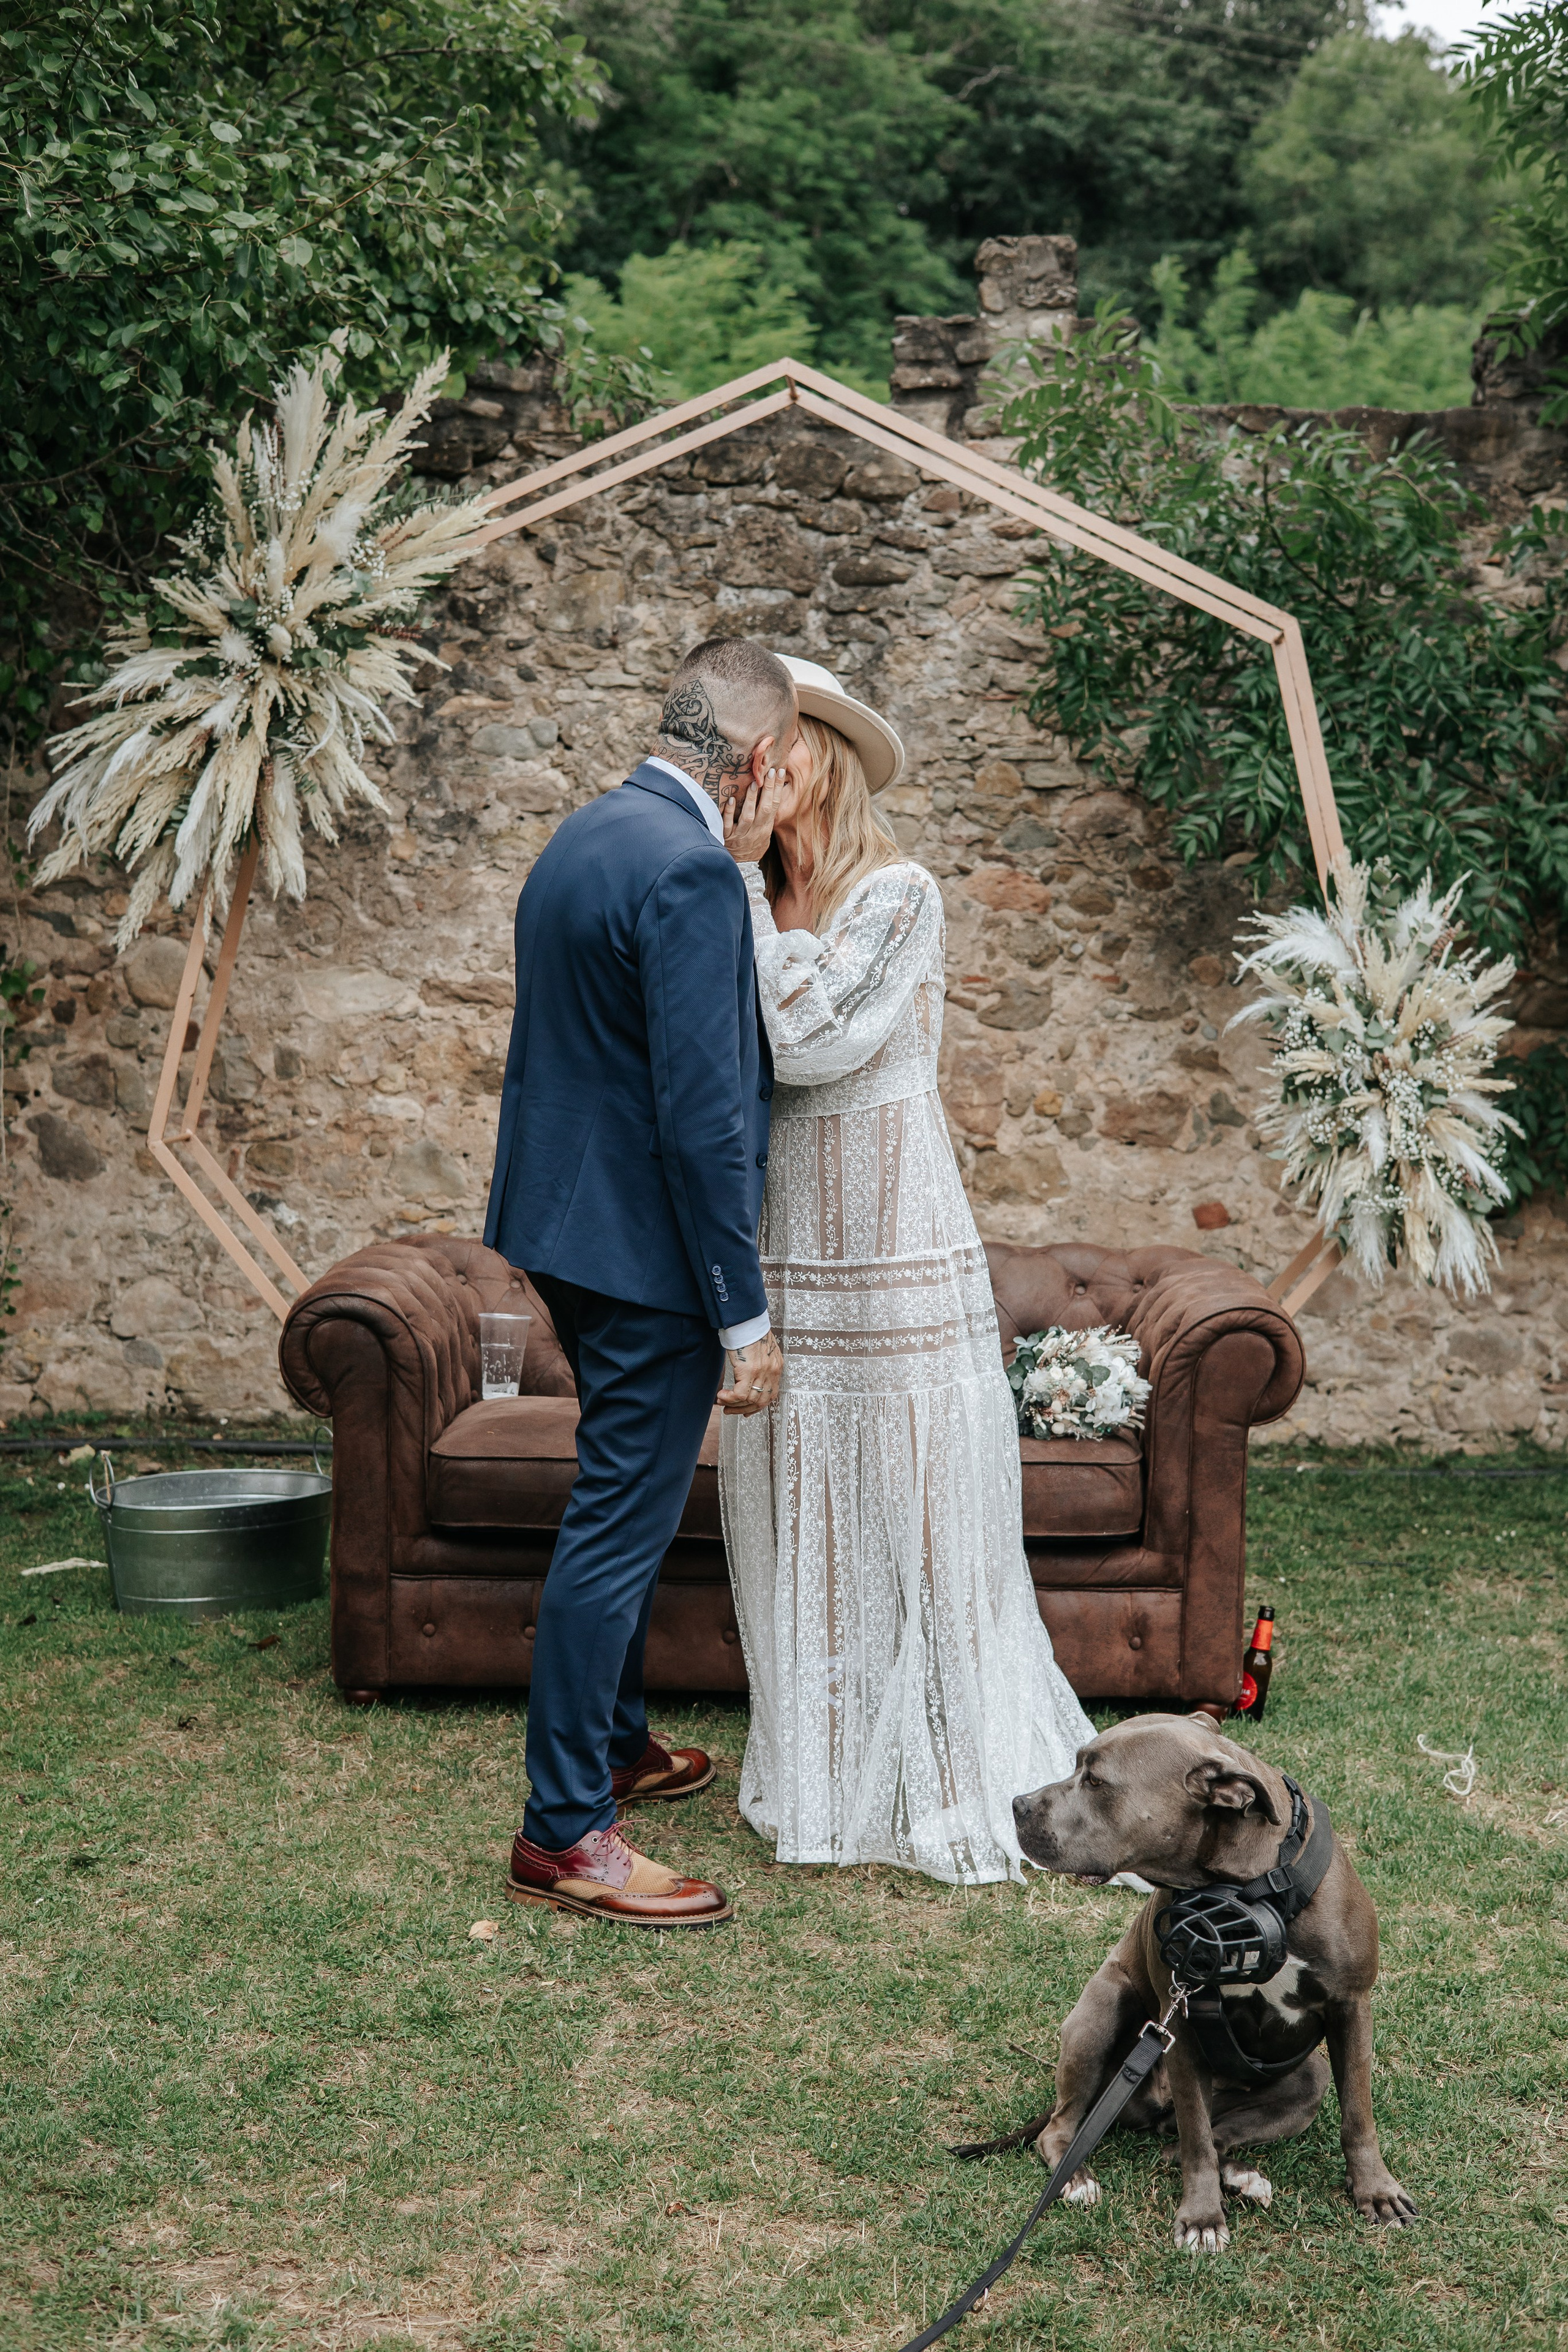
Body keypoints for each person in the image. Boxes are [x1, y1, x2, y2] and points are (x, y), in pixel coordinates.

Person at [718, 655, 1095, 1886]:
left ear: (817, 755)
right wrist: (745, 889)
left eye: (779, 744)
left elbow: (812, 1042)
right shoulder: (742, 898)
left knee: (915, 1492)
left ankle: (945, 1769)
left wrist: (754, 903)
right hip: (793, 1220)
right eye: (749, 749)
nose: (758, 766)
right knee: (806, 1472)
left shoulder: (900, 892)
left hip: (886, 1214)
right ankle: (826, 1771)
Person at [483, 636, 792, 1929]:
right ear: (761, 760)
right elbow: (700, 1119)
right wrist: (743, 1313)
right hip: (646, 1258)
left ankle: (612, 1749)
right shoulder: (691, 874)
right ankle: (564, 1832)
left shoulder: (588, 836)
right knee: (619, 1520)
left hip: (558, 1228)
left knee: (619, 1496)